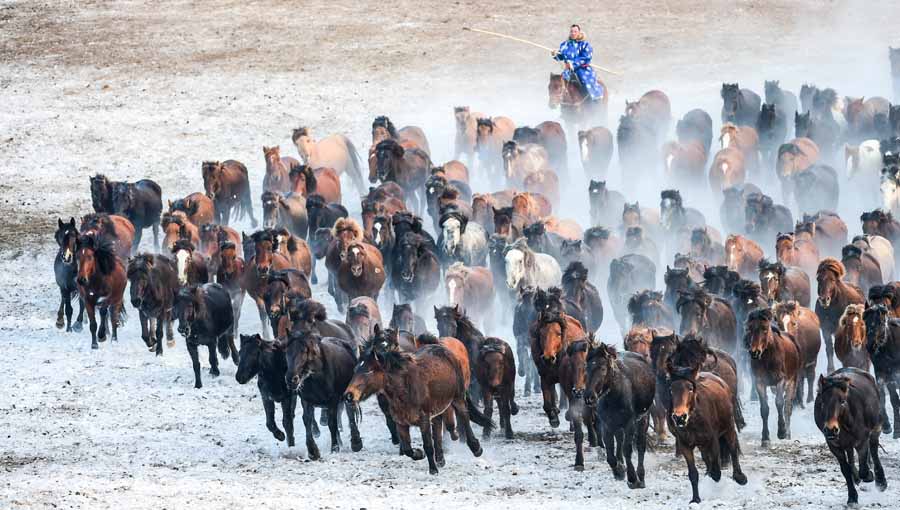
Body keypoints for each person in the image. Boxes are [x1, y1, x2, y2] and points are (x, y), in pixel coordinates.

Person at [552, 24, 604, 101]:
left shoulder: (585, 45)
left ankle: (595, 98)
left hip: (582, 69)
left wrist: (573, 64)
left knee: (586, 81)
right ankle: (560, 101)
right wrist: (555, 55)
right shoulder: (565, 45)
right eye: (571, 31)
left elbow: (586, 57)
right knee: (560, 82)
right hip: (568, 70)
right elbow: (561, 56)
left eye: (575, 31)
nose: (573, 33)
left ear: (579, 32)